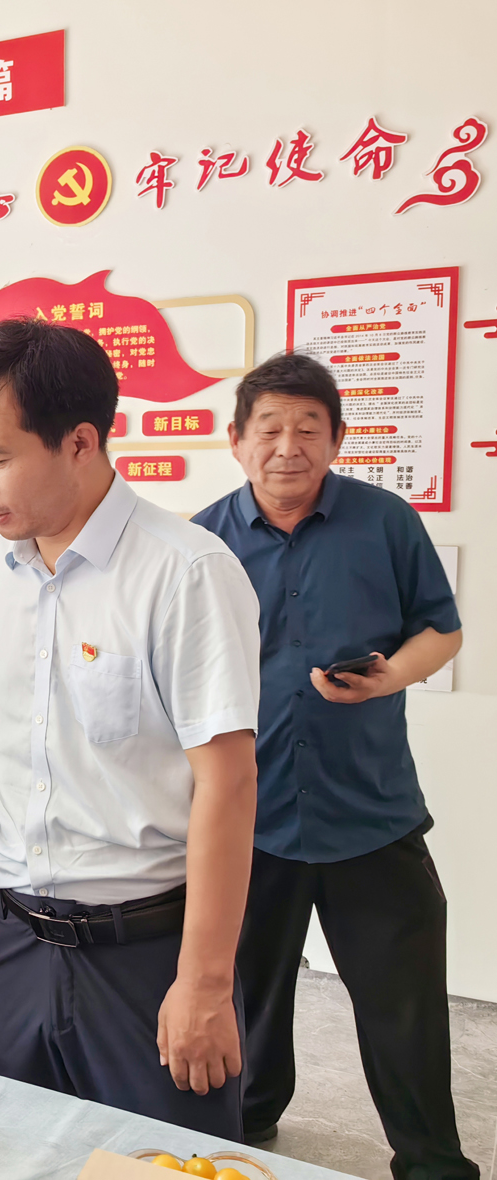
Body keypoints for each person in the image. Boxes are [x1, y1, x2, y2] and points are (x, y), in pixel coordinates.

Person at [0, 318, 261, 1137]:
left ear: (80, 442)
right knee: (22, 1152)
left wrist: (205, 983)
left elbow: (227, 782)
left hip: (143, 953)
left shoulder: (185, 572)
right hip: (15, 938)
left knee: (163, 1161)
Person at [194, 352, 476, 1175]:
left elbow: (441, 629)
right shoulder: (201, 542)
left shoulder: (386, 522)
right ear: (236, 440)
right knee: (246, 995)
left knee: (404, 1006)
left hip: (369, 811)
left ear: (337, 439)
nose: (288, 447)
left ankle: (431, 1162)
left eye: (308, 429)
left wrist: (392, 676)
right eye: (269, 429)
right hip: (247, 819)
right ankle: (245, 1126)